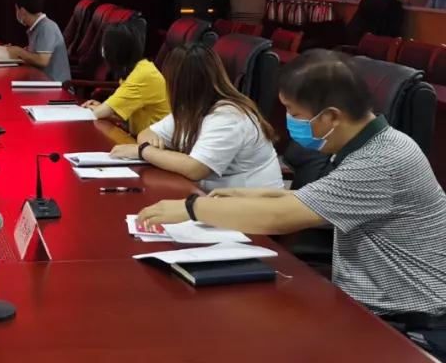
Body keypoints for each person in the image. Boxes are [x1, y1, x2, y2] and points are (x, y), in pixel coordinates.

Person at [137, 51, 446, 359]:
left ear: (331, 117)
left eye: (294, 113)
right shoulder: (370, 145)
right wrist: (248, 195)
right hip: (366, 304)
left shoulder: (380, 162)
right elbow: (310, 197)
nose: (289, 122)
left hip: (404, 323)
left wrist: (191, 208)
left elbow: (283, 217)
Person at [112, 43, 281, 190]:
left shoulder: (228, 116)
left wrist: (144, 151)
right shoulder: (191, 109)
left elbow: (196, 169)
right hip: (213, 198)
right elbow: (146, 133)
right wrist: (150, 145)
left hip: (251, 206)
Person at [82, 23, 170, 136]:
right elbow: (125, 117)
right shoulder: (134, 70)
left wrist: (99, 109)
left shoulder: (143, 75)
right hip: (143, 136)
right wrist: (102, 108)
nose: (103, 51)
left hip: (158, 142)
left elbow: (97, 114)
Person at [3, 0, 71, 83]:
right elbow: (34, 55)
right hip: (41, 80)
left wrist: (19, 52)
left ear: (22, 11)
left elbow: (42, 60)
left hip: (55, 84)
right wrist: (13, 52)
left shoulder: (46, 27)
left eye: (16, 9)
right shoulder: (36, 27)